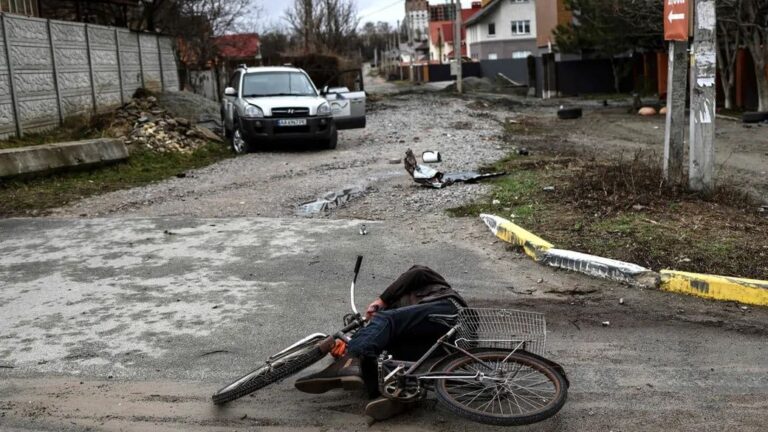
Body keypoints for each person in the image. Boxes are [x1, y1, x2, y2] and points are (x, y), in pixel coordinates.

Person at [294, 265, 467, 421]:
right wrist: (351, 344)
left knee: (384, 322)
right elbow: (378, 334)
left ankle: (351, 361)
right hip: (435, 341)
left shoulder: (425, 282)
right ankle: (399, 394)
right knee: (383, 356)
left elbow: (417, 272)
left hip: (446, 312)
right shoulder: (399, 312)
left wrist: (382, 300)